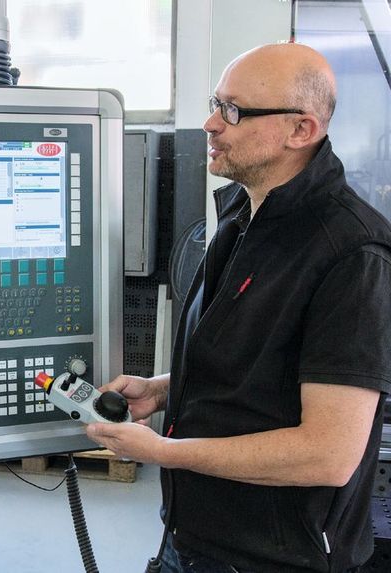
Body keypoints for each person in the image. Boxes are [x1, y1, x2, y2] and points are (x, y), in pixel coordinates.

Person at [87, 43, 391, 573]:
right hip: (194, 537)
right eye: (215, 102)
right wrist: (159, 390)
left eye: (234, 111)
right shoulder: (241, 216)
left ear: (301, 130)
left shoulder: (351, 255)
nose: (210, 123)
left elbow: (328, 453)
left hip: (271, 558)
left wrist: (160, 452)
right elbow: (253, 366)